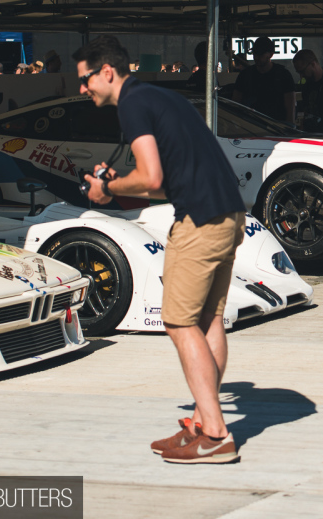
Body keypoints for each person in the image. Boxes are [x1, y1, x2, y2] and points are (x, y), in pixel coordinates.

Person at [75, 36, 245, 464]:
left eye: (85, 79)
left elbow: (149, 179)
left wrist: (106, 188)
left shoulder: (132, 104)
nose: (83, 89)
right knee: (208, 321)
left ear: (107, 72)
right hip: (229, 213)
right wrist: (118, 178)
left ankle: (217, 435)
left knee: (178, 322)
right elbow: (168, 179)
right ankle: (205, 424)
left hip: (200, 223)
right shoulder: (159, 97)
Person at [232, 36, 296, 123]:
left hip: (276, 126)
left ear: (271, 54)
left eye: (260, 54)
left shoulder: (283, 75)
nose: (256, 57)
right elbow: (236, 103)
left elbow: (290, 107)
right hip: (250, 125)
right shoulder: (245, 75)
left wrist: (289, 127)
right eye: (255, 53)